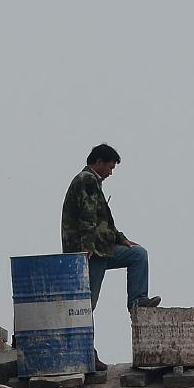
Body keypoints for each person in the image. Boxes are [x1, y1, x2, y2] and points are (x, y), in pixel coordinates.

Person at [62, 144, 157, 370]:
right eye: (110, 167)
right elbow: (87, 217)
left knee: (137, 254)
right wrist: (86, 246)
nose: (111, 172)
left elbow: (103, 219)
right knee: (86, 305)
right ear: (99, 162)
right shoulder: (86, 180)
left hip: (102, 248)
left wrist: (121, 239)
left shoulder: (95, 183)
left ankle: (137, 301)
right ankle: (86, 353)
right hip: (89, 252)